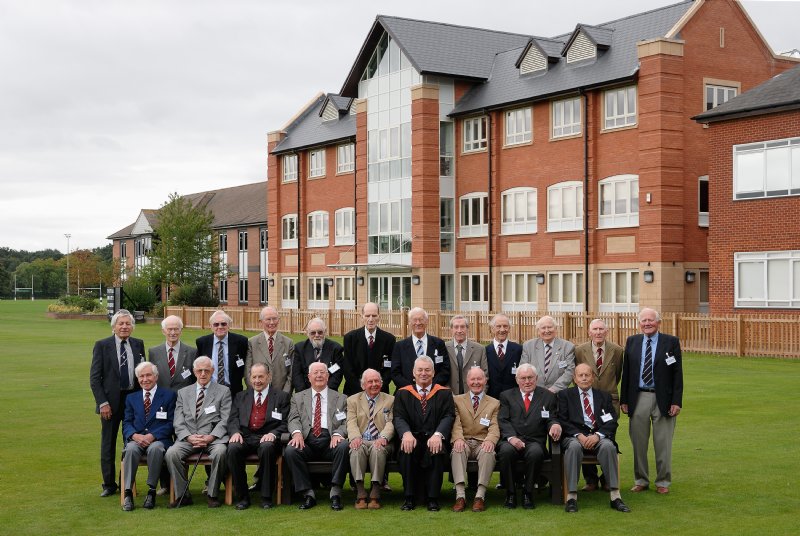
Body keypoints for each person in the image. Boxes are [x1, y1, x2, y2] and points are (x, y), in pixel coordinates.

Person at [621, 308, 683, 495]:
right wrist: (625, 399)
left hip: (663, 398)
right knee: (639, 443)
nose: (647, 323)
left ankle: (663, 481)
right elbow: (627, 373)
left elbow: (677, 374)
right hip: (638, 397)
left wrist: (676, 401)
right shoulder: (632, 342)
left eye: (651, 320)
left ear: (658, 322)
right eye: (643, 320)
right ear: (639, 323)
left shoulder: (670, 342)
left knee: (662, 442)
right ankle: (641, 479)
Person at [557, 364, 630, 513]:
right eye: (580, 375)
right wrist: (579, 436)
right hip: (574, 436)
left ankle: (615, 496)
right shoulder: (565, 395)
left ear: (592, 378)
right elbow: (562, 420)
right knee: (574, 447)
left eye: (587, 375)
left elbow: (611, 421)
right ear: (574, 379)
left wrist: (598, 436)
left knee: (608, 446)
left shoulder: (603, 396)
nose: (584, 378)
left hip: (598, 436)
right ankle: (571, 497)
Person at [90, 309, 145, 497]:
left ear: (132, 327)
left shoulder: (138, 345)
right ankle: (108, 484)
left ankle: (126, 482)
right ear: (114, 327)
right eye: (120, 323)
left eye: (128, 323)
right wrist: (102, 403)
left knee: (131, 442)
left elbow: (142, 375)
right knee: (108, 443)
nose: (124, 327)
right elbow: (95, 379)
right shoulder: (102, 345)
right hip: (110, 403)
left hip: (132, 401)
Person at [165, 356, 231, 508]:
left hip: (213, 438)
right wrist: (188, 437)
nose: (203, 374)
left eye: (206, 371)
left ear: (212, 371)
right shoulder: (183, 392)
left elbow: (225, 419)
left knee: (221, 453)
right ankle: (183, 494)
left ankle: (212, 494)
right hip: (189, 438)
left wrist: (210, 437)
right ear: (194, 371)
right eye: (199, 370)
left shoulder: (223, 391)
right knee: (171, 453)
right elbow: (178, 420)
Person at [284, 362, 349, 511]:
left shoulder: (341, 397)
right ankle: (308, 493)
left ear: (327, 376)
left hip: (330, 439)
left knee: (344, 446)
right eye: (315, 373)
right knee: (290, 450)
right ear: (309, 377)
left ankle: (335, 493)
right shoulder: (298, 397)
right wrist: (297, 433)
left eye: (322, 372)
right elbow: (293, 419)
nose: (319, 375)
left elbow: (347, 421)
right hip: (307, 439)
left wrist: (338, 433)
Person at [393, 356, 455, 512]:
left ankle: (433, 498)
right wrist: (405, 433)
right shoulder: (402, 393)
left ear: (433, 373)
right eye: (420, 370)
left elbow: (449, 416)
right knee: (405, 450)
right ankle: (409, 497)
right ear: (413, 372)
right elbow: (398, 417)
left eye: (427, 370)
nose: (423, 373)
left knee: (437, 450)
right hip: (412, 437)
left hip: (433, 437)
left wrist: (438, 434)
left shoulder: (444, 393)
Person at [496, 363, 561, 509]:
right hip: (511, 440)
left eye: (530, 377)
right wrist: (512, 438)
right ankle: (511, 494)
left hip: (535, 441)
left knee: (536, 453)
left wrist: (555, 425)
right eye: (523, 378)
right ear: (517, 379)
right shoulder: (506, 396)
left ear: (536, 378)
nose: (527, 381)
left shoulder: (548, 396)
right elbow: (503, 420)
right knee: (505, 452)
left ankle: (528, 493)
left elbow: (552, 418)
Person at [226, 363, 290, 510]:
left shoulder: (281, 397)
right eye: (254, 377)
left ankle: (266, 497)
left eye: (261, 376)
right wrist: (235, 432)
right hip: (245, 436)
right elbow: (232, 419)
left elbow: (286, 422)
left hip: (267, 436)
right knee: (233, 448)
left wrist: (273, 434)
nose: (257, 380)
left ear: (269, 377)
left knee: (267, 448)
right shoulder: (241, 396)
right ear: (249, 378)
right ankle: (242, 497)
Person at [574, 318, 624, 491]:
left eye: (601, 329)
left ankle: (607, 478)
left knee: (608, 439)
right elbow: (578, 374)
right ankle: (590, 479)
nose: (598, 332)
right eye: (595, 329)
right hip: (586, 401)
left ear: (606, 331)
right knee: (586, 437)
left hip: (609, 403)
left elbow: (617, 374)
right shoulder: (580, 350)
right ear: (589, 332)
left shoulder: (617, 351)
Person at [121, 362, 177, 511]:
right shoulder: (131, 398)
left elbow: (172, 423)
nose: (145, 379)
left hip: (159, 440)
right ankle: (127, 493)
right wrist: (134, 435)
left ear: (156, 377)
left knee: (156, 449)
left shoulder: (169, 395)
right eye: (141, 376)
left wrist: (154, 435)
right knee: (130, 450)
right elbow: (126, 422)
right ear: (138, 379)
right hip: (137, 439)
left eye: (148, 375)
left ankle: (151, 491)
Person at [450, 367, 499, 512]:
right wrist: (458, 438)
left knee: (488, 453)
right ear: (467, 381)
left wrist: (490, 440)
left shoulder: (494, 403)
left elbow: (494, 426)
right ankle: (460, 496)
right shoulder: (457, 400)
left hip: (482, 442)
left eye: (479, 379)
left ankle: (480, 496)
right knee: (457, 450)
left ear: (485, 381)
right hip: (463, 440)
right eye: (473, 379)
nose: (476, 382)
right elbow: (455, 423)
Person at [346, 369, 395, 509]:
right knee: (356, 449)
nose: (374, 384)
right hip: (361, 439)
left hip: (381, 441)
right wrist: (355, 437)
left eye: (377, 381)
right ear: (363, 385)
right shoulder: (352, 400)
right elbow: (351, 421)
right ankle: (360, 492)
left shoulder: (390, 400)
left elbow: (391, 422)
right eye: (370, 382)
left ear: (381, 383)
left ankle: (375, 492)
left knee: (378, 449)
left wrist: (383, 437)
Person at [342, 302, 396, 396]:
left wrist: (377, 387)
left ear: (379, 317)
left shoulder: (389, 340)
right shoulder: (350, 338)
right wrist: (363, 389)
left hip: (380, 392)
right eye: (367, 315)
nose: (371, 319)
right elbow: (348, 369)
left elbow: (389, 369)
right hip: (355, 392)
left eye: (374, 315)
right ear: (361, 317)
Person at [391, 307, 449, 389]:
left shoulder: (438, 344)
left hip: (433, 393)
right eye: (414, 320)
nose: (418, 323)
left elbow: (445, 370)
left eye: (421, 319)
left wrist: (429, 387)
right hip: (407, 394)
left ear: (426, 322)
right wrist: (413, 389)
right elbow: (395, 373)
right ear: (410, 323)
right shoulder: (399, 346)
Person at [195, 310, 248, 396]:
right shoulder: (202, 342)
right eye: (216, 324)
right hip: (209, 390)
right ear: (211, 326)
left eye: (223, 324)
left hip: (233, 391)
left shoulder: (241, 342)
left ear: (229, 325)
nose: (220, 327)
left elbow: (245, 365)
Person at [245, 306, 294, 393]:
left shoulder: (288, 343)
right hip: (258, 395)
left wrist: (284, 394)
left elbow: (291, 373)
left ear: (278, 320)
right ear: (261, 322)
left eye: (274, 319)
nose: (272, 322)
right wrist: (257, 392)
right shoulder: (252, 343)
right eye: (268, 319)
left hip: (281, 395)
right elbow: (248, 373)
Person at [520, 315, 575, 393]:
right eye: (543, 328)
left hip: (558, 393)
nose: (547, 330)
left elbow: (570, 371)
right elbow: (523, 369)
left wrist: (554, 389)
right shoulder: (528, 346)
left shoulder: (567, 347)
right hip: (534, 393)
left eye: (550, 327)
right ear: (538, 331)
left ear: (556, 329)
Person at [291, 318, 344, 393]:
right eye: (313, 333)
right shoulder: (299, 348)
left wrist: (324, 393)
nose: (317, 335)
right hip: (305, 393)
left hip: (328, 393)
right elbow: (297, 374)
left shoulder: (336, 349)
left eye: (320, 332)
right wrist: (305, 394)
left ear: (325, 332)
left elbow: (337, 375)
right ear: (307, 333)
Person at [149, 315, 197, 391]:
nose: (173, 332)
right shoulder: (154, 352)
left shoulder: (192, 352)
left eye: (176, 329)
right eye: (169, 329)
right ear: (163, 331)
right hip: (162, 398)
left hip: (183, 398)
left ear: (181, 331)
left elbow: (195, 379)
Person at [445, 314, 488, 396]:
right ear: (451, 329)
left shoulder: (480, 349)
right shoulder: (444, 348)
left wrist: (477, 397)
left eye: (462, 327)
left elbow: (485, 376)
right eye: (456, 327)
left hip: (473, 398)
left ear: (467, 329)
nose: (459, 330)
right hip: (450, 397)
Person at [485, 314, 522, 399]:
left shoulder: (518, 350)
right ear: (492, 329)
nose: (502, 330)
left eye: (505, 326)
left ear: (509, 329)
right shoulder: (485, 351)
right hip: (491, 398)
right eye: (498, 326)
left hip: (513, 398)